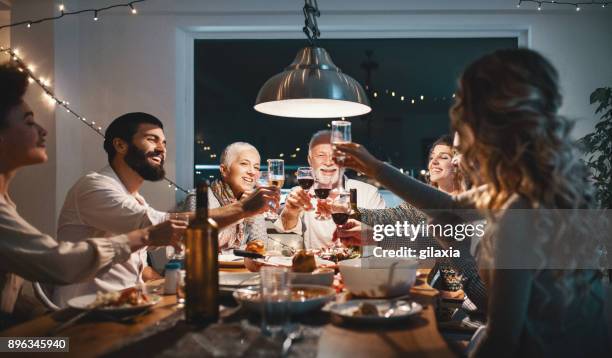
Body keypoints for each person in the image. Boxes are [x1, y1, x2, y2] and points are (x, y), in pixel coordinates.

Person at [334, 48, 610, 357]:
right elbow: (449, 207)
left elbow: (502, 342)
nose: (458, 114)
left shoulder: (518, 209)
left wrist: (456, 248)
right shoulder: (526, 186)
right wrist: (375, 169)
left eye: (464, 105)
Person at [0, 63, 185, 329]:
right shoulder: (94, 186)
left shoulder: (7, 203)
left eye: (164, 142)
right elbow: (57, 264)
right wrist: (143, 237)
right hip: (80, 323)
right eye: (29, 122)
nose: (43, 130)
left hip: (105, 317)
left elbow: (12, 295)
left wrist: (41, 323)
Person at [53, 115, 279, 307]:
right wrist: (243, 208)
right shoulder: (94, 187)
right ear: (120, 145)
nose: (161, 148)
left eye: (164, 142)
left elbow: (149, 247)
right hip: (87, 314)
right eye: (152, 139)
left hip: (129, 306)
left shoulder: (136, 198)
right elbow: (160, 226)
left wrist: (160, 280)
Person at [334, 134, 487, 309]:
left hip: (463, 307)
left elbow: (446, 242)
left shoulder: (482, 205)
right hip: (459, 303)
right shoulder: (448, 204)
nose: (436, 162)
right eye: (431, 157)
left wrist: (376, 169)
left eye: (450, 155)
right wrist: (361, 223)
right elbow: (427, 237)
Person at [275, 130, 385, 249]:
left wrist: (367, 232)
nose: (328, 162)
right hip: (318, 266)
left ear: (344, 159)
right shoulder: (300, 193)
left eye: (335, 156)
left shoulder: (368, 193)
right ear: (310, 160)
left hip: (358, 266)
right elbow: (286, 227)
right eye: (321, 155)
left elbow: (387, 236)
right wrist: (291, 211)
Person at [210, 142, 267, 251]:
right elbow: (199, 243)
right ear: (224, 170)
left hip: (241, 268)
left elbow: (260, 245)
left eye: (256, 167)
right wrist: (240, 210)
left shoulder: (252, 200)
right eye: (244, 164)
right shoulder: (200, 198)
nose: (252, 172)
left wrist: (251, 210)